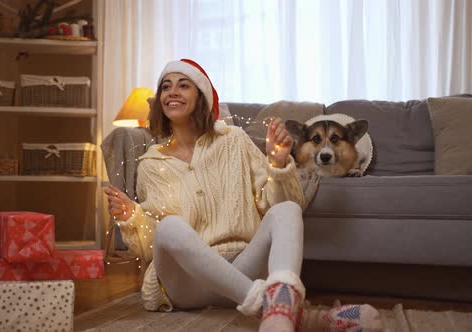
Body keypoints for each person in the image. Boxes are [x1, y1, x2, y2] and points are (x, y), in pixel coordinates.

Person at [104, 59, 381, 331]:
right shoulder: (150, 164)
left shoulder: (234, 140)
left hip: (244, 267)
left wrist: (278, 164)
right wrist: (133, 218)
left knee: (287, 211)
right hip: (188, 285)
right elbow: (156, 243)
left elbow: (281, 202)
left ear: (201, 97)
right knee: (170, 227)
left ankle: (278, 308)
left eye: (183, 85)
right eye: (166, 86)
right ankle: (301, 318)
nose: (172, 92)